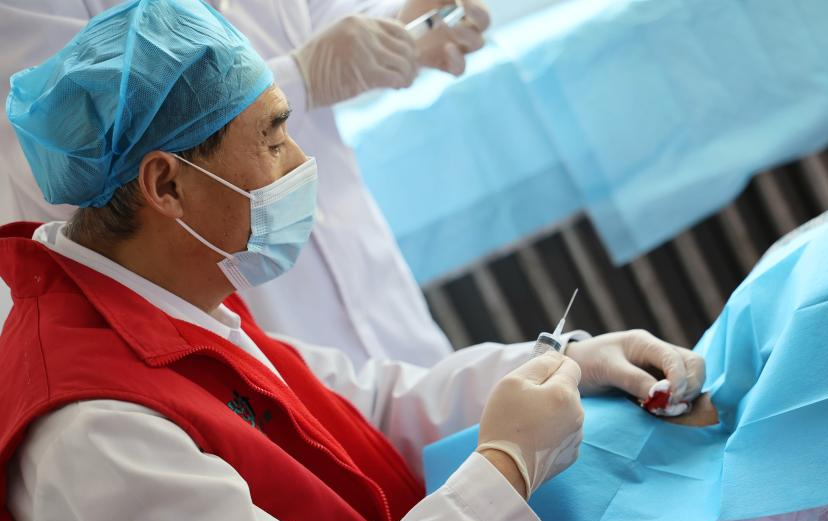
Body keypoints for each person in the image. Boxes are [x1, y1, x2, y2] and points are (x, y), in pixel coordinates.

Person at [0, 2, 705, 521]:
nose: (298, 162)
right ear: (167, 185)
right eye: (273, 139)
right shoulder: (96, 427)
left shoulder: (167, 302)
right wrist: (506, 470)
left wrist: (562, 361)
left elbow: (365, 404)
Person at [0, 0, 491, 367]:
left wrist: (405, 22)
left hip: (376, 295)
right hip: (234, 311)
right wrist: (300, 78)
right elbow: (62, 171)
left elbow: (327, 18)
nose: (299, 161)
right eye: (277, 137)